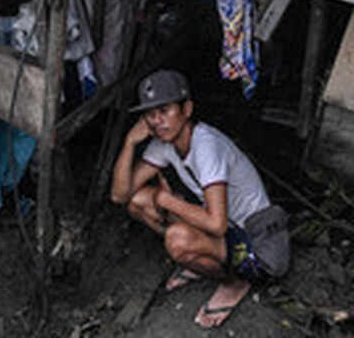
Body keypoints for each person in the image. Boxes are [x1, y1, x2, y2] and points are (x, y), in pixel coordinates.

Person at [110, 69, 290, 329]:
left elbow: (216, 224)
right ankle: (202, 257)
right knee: (138, 201)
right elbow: (120, 195)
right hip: (227, 229)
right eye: (150, 114)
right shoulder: (164, 144)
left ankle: (233, 283)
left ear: (187, 110)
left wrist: (167, 201)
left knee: (177, 240)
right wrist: (129, 142)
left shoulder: (205, 145)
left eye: (165, 111)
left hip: (258, 243)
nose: (157, 121)